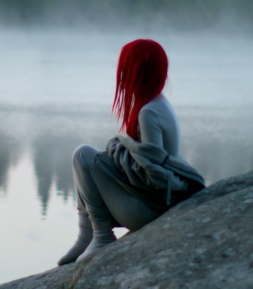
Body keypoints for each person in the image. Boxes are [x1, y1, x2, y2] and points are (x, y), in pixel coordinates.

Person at [58, 39, 204, 266]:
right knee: (89, 158)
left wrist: (117, 150)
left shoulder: (148, 113)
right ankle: (86, 235)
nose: (122, 76)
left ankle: (101, 236)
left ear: (138, 73)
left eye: (126, 69)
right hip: (154, 203)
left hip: (150, 208)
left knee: (83, 155)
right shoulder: (158, 103)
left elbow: (152, 176)